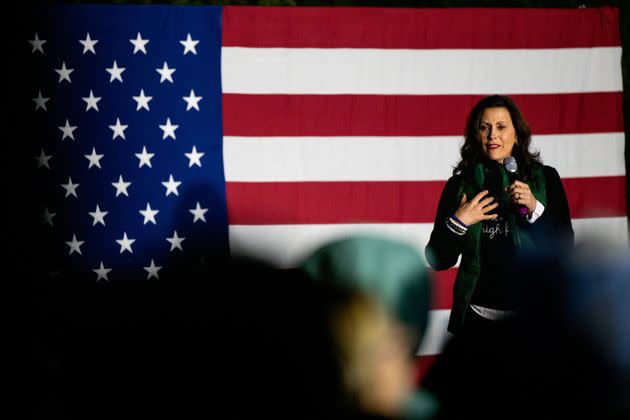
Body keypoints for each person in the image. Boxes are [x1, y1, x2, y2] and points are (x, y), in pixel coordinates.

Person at [424, 94, 574, 335]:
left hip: (531, 318)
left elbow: (564, 247)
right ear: (476, 135)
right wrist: (458, 222)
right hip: (476, 319)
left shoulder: (545, 179)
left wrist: (535, 208)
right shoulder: (459, 186)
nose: (493, 134)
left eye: (501, 127)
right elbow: (437, 260)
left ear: (517, 135)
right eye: (485, 127)